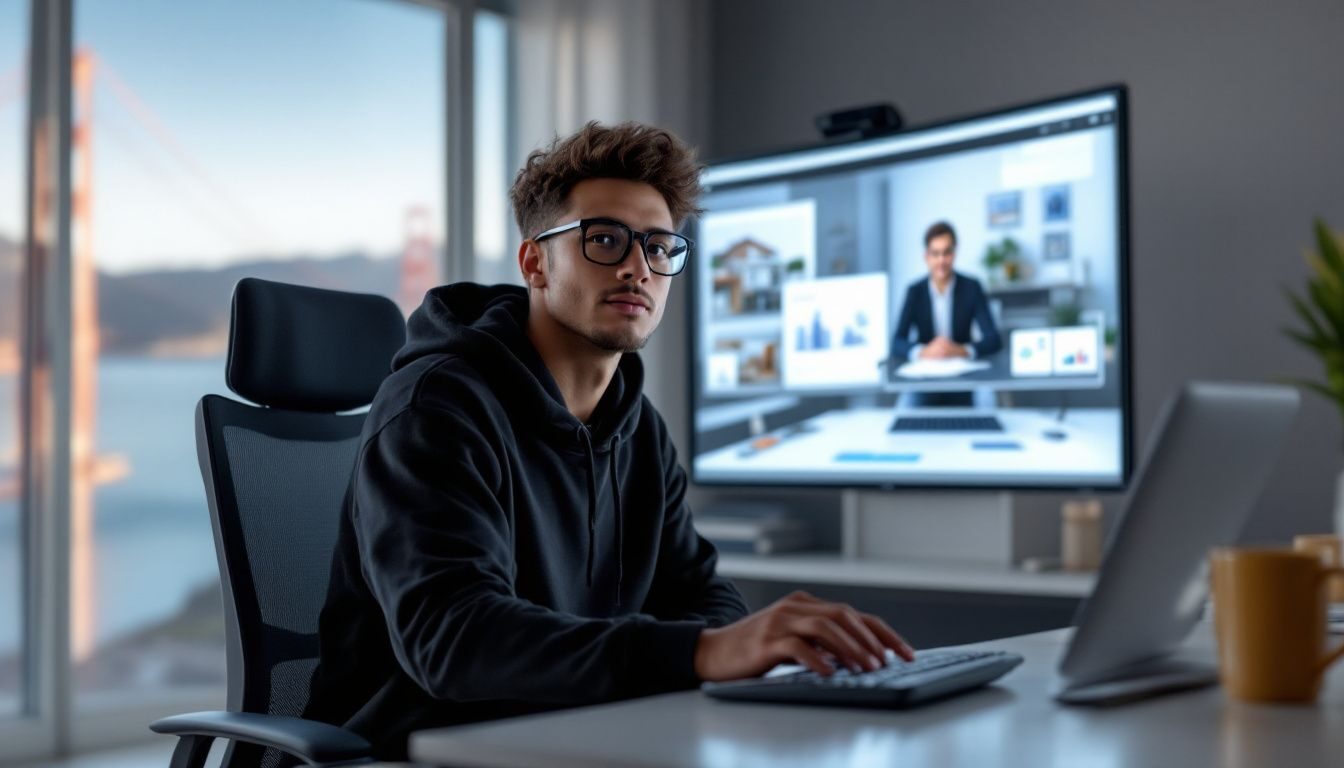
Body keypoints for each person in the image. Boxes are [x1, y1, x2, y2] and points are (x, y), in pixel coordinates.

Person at [304, 121, 915, 760]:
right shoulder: (437, 408)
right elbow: (454, 640)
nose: (636, 268)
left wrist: (738, 646)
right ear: (534, 261)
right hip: (415, 752)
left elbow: (702, 592)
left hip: (576, 739)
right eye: (604, 240)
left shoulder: (637, 426)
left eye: (658, 247)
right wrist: (703, 652)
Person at [890, 220, 1002, 363]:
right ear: (926, 257)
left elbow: (993, 339)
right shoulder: (915, 291)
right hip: (925, 370)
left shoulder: (972, 287)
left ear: (954, 253)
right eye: (935, 253)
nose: (941, 260)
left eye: (947, 252)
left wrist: (960, 350)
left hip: (963, 369)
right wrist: (924, 351)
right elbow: (897, 342)